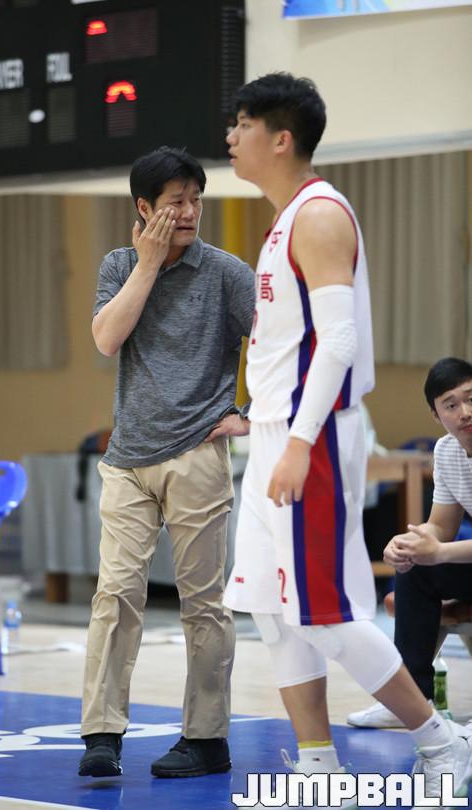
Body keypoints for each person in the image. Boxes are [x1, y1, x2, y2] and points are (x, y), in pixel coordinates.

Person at [223, 73, 472, 808]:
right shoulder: (283, 220)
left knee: (323, 613)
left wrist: (300, 442)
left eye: (241, 124)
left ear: (281, 138)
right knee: (272, 608)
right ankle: (318, 765)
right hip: (277, 434)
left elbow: (338, 341)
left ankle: (442, 741)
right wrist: (262, 424)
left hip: (314, 436)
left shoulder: (320, 214)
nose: (230, 137)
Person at [78, 146, 255, 780]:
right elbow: (107, 339)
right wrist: (149, 265)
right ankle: (102, 733)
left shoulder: (227, 272)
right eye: (176, 201)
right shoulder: (120, 265)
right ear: (143, 207)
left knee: (203, 603)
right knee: (115, 593)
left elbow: (280, 345)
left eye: (196, 200)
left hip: (197, 454)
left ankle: (206, 738)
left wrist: (251, 415)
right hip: (128, 459)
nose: (189, 212)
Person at [348, 356, 472, 730]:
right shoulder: (447, 451)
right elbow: (441, 525)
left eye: (470, 399)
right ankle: (412, 702)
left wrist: (441, 551)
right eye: (451, 405)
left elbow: (444, 546)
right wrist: (411, 543)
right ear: (436, 415)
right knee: (414, 566)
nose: (465, 412)